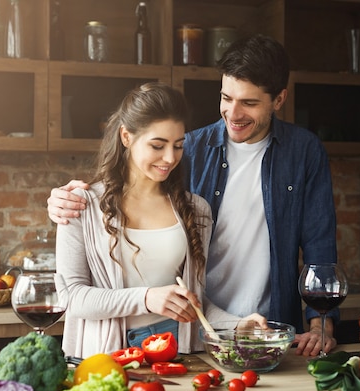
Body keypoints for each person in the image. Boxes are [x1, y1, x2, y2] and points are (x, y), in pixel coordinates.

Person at [48, 35, 339, 357]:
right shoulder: (191, 148)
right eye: (226, 98)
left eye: (250, 103)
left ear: (279, 100)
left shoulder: (303, 152)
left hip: (249, 323)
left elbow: (319, 242)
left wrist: (320, 322)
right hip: (190, 335)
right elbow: (131, 180)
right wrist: (62, 204)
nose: (233, 112)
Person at [56, 82, 265, 358]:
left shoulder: (196, 210)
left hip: (177, 351)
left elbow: (194, 303)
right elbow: (71, 297)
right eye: (158, 145)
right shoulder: (80, 204)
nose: (170, 158)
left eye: (178, 146)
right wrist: (147, 298)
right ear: (126, 136)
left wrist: (238, 325)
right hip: (104, 356)